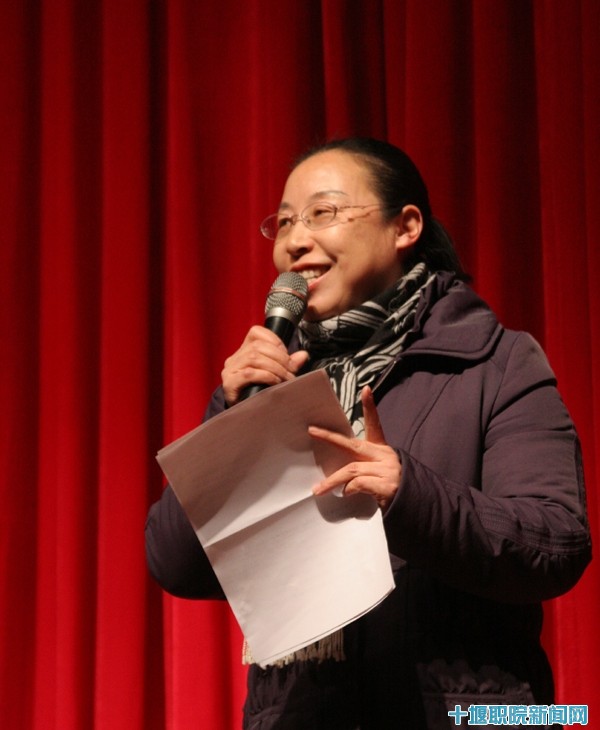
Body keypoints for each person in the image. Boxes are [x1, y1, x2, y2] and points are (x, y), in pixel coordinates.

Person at [145, 137, 591, 729]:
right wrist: (231, 418)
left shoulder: (495, 363)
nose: (294, 241)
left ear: (405, 227)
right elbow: (175, 562)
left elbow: (555, 543)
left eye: (322, 213)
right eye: (284, 222)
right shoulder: (273, 382)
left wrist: (409, 494)